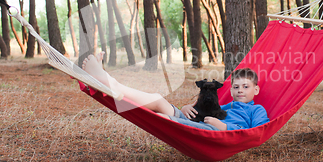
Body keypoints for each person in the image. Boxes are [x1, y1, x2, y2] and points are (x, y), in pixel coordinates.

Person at [82, 53, 270, 131]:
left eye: (246, 87)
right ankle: (110, 84)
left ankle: (107, 81)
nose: (240, 91)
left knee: (162, 119)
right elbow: (203, 111)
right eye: (236, 87)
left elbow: (257, 133)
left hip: (214, 133)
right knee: (157, 101)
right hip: (196, 122)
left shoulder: (257, 110)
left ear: (256, 89)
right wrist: (189, 107)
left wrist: (223, 127)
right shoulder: (227, 105)